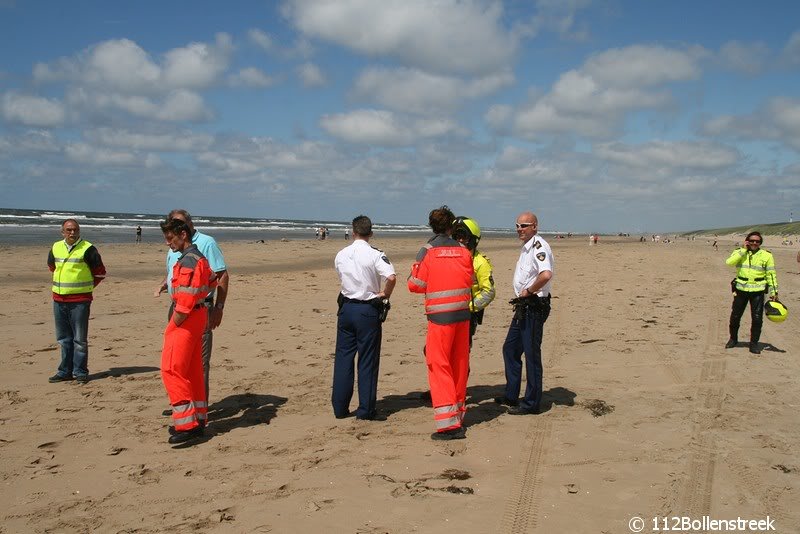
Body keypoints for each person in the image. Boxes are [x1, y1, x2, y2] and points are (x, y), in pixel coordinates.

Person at [408, 206, 473, 440]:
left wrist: (416, 270)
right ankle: (458, 414)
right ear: (451, 226)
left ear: (431, 225)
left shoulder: (427, 251)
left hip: (439, 318)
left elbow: (415, 285)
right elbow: (470, 278)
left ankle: (449, 425)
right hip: (463, 316)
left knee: (439, 366)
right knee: (458, 364)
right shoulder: (464, 250)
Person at [155, 209, 228, 407]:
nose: (168, 240)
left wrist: (218, 307)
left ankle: (194, 407)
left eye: (178, 226)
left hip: (193, 310)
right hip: (179, 306)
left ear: (186, 227)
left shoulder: (204, 244)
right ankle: (186, 403)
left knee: (192, 363)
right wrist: (165, 284)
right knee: (183, 361)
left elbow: (219, 277)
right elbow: (174, 272)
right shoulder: (178, 247)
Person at [332, 215, 396, 420]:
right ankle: (366, 410)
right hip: (367, 309)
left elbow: (342, 277)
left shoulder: (341, 254)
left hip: (346, 308)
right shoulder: (376, 254)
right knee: (367, 360)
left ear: (353, 232)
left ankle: (340, 408)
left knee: (343, 358)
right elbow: (391, 277)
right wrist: (385, 294)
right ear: (371, 233)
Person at [159, 218, 217, 444]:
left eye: (170, 237)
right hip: (198, 314)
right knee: (192, 370)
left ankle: (187, 424)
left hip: (187, 316)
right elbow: (212, 280)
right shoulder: (197, 258)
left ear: (183, 235)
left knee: (172, 369)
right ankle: (198, 418)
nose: (168, 243)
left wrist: (175, 321)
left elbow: (184, 301)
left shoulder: (189, 261)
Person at [495, 212, 554, 415]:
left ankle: (531, 403)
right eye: (517, 225)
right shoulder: (526, 247)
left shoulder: (539, 246)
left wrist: (528, 291)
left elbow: (546, 274)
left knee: (531, 355)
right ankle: (511, 396)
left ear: (535, 226)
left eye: (524, 225)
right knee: (510, 349)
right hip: (523, 306)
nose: (520, 228)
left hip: (534, 305)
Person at [47, 219, 106, 384]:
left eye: (75, 230)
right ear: (62, 232)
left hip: (80, 301)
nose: (72, 233)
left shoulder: (88, 249)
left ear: (79, 231)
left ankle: (80, 372)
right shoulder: (56, 247)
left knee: (79, 339)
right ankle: (65, 371)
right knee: (64, 338)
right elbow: (52, 267)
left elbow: (100, 273)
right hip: (59, 299)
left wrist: (86, 289)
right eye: (69, 230)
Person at [725, 231, 778, 354]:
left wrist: (774, 291)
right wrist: (743, 250)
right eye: (752, 240)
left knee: (757, 319)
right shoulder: (739, 252)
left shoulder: (767, 255)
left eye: (757, 241)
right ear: (747, 241)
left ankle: (754, 344)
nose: (754, 243)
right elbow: (729, 263)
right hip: (740, 290)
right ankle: (733, 339)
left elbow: (771, 274)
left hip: (758, 292)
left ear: (760, 243)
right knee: (735, 316)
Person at [451, 216, 495, 347]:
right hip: (446, 314)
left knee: (461, 355)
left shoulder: (480, 263)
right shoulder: (449, 258)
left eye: (464, 236)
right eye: (456, 236)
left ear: (473, 239)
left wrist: (468, 307)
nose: (460, 240)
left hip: (466, 316)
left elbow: (489, 292)